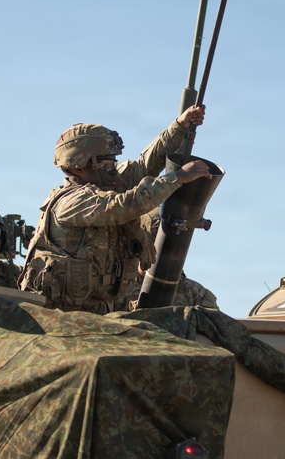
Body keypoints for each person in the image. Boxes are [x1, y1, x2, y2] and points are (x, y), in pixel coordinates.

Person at [19, 105, 212, 314]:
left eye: (114, 161)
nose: (114, 168)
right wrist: (177, 178)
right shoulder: (72, 202)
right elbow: (123, 206)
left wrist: (180, 126)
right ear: (78, 167)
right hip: (62, 316)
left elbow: (146, 165)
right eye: (106, 162)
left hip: (101, 312)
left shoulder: (109, 182)